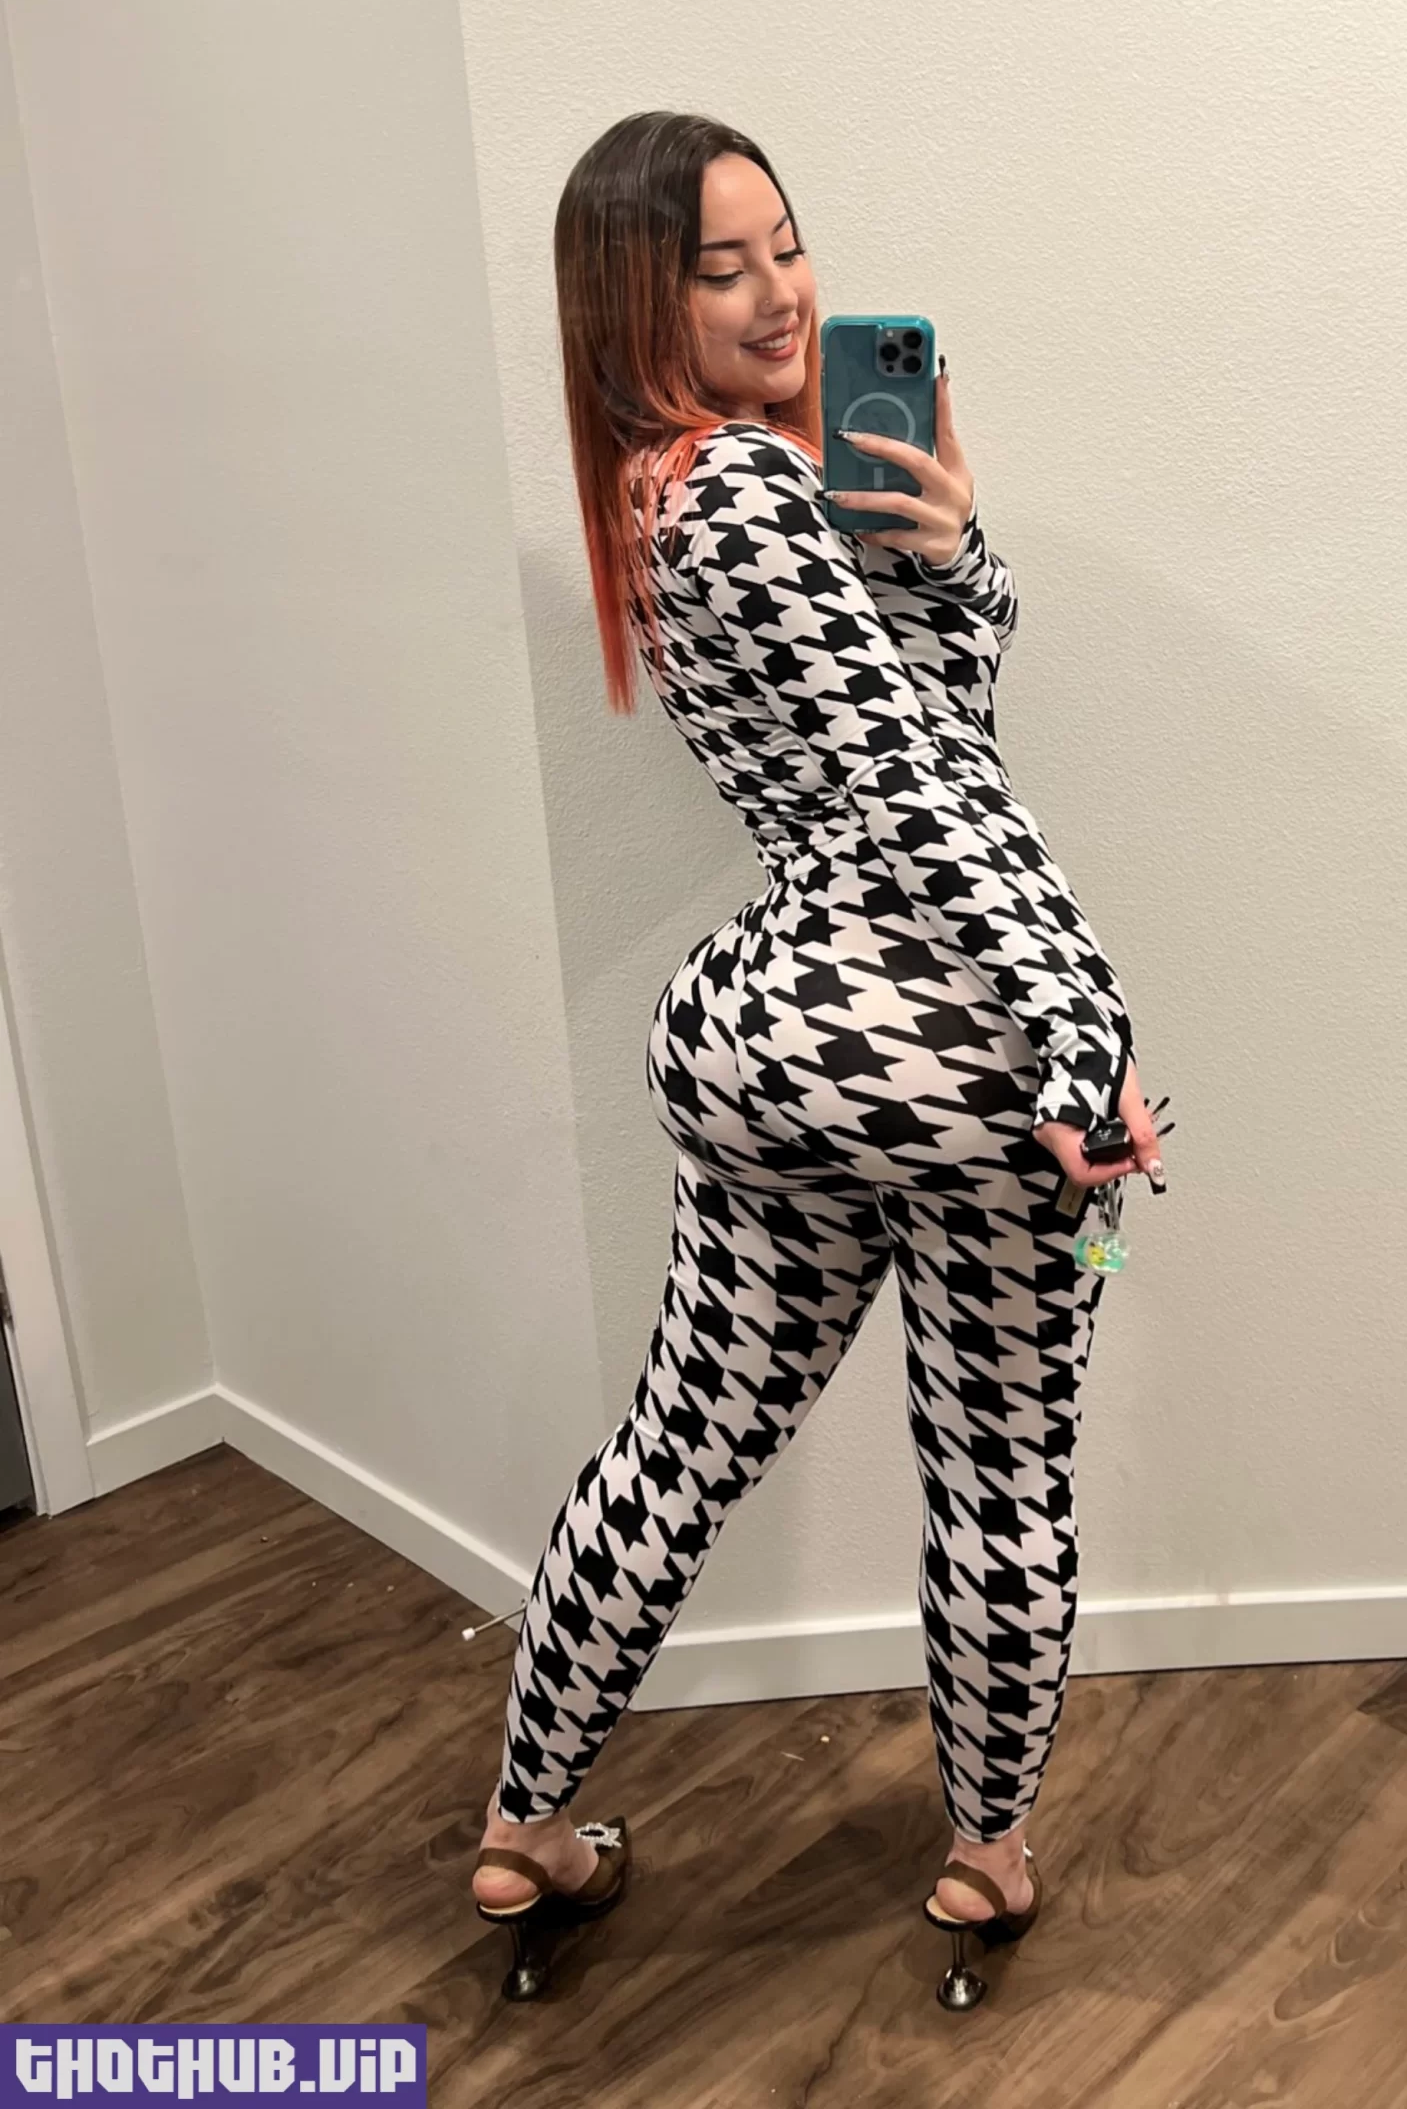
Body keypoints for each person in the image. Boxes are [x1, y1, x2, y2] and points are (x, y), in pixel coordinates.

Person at [470, 111, 1165, 2006]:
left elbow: (921, 720)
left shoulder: (664, 493)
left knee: (680, 1446)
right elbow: (925, 795)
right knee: (1003, 1472)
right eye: (721, 267)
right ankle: (988, 1858)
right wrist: (1083, 1044)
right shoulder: (751, 497)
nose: (781, 293)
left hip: (770, 1054)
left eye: (786, 244)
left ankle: (527, 1825)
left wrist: (953, 559)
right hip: (942, 1051)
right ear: (635, 299)